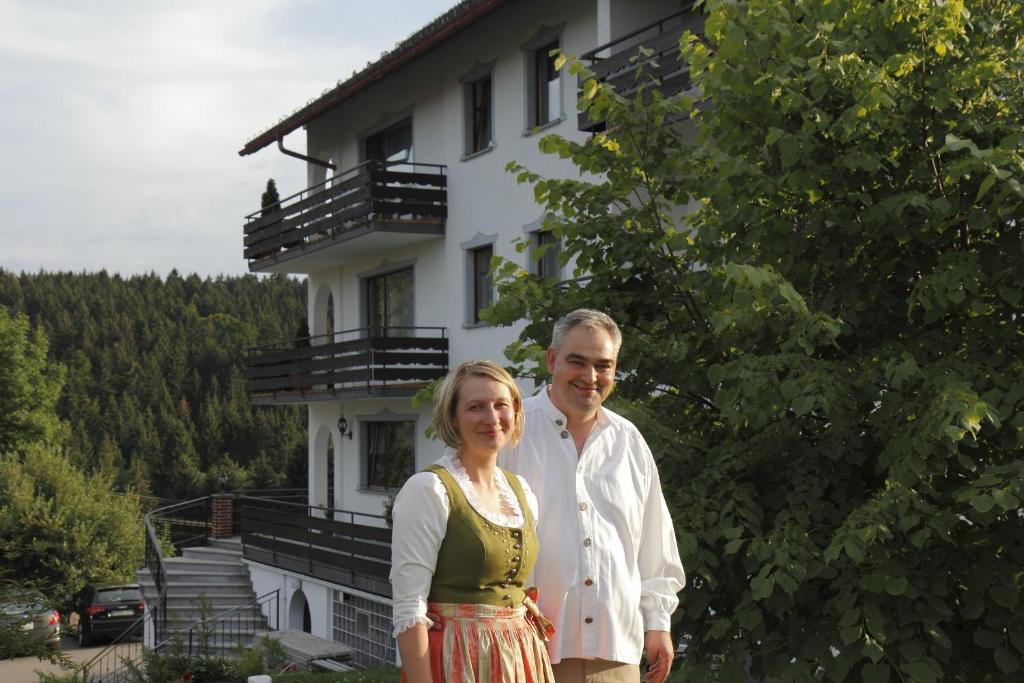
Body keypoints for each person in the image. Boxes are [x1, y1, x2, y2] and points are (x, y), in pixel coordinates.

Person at [502, 309, 686, 683]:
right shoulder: (511, 433)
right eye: (577, 362)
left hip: (614, 652)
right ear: (552, 360)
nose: (590, 377)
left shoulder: (629, 441)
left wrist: (658, 622)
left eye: (603, 365)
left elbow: (655, 544)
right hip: (529, 650)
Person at [390, 360, 556, 683]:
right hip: (458, 658)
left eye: (501, 405)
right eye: (476, 407)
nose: (492, 418)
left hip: (519, 657)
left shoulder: (521, 491)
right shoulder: (429, 490)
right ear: (453, 417)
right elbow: (410, 610)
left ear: (515, 411)